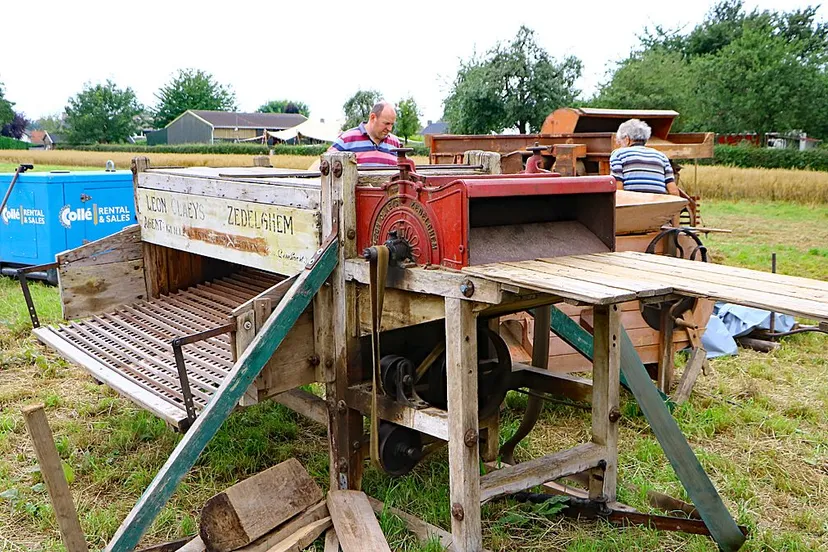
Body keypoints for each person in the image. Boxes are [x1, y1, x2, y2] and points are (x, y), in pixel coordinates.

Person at [609, 119, 680, 195]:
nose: (620, 144)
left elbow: (618, 190)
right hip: (657, 203)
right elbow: (673, 191)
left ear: (627, 139)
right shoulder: (661, 156)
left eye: (620, 141)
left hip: (632, 203)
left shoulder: (618, 154)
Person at [327, 101, 402, 166]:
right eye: (386, 123)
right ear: (373, 117)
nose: (390, 129)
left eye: (392, 124)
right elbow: (326, 162)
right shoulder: (347, 139)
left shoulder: (395, 143)